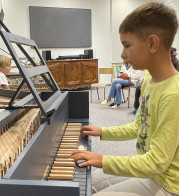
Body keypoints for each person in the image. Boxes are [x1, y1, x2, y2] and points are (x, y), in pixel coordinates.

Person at [71, 2, 179, 196]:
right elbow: (138, 127)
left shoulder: (173, 94)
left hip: (166, 184)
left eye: (127, 45)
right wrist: (101, 131)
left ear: (152, 44)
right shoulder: (148, 81)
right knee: (86, 184)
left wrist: (103, 159)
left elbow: (156, 162)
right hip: (151, 173)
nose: (122, 54)